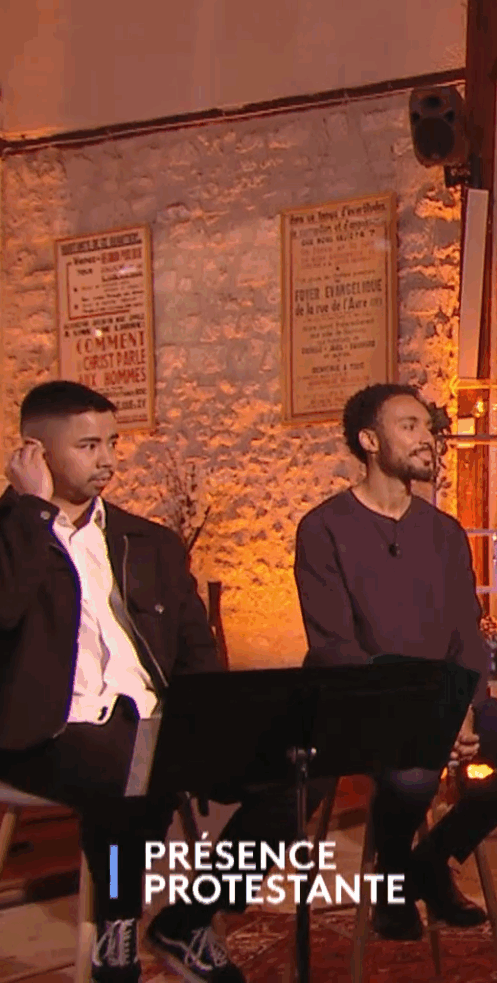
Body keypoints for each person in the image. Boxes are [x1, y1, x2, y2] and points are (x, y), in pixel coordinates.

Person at [0, 381, 294, 983]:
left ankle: (189, 919)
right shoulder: (13, 533)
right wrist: (32, 510)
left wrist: (215, 720)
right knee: (131, 771)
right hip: (45, 731)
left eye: (112, 442)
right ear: (36, 452)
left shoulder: (149, 542)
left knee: (291, 771)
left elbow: (195, 648)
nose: (108, 459)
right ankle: (118, 924)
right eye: (88, 445)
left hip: (153, 721)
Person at [295, 384, 497, 941]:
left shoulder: (444, 533)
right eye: (409, 426)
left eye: (427, 426)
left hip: (444, 699)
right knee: (415, 775)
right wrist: (423, 720)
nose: (428, 438)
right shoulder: (323, 529)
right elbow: (334, 647)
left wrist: (465, 708)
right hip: (367, 706)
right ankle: (393, 880)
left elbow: (466, 634)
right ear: (369, 441)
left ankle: (429, 862)